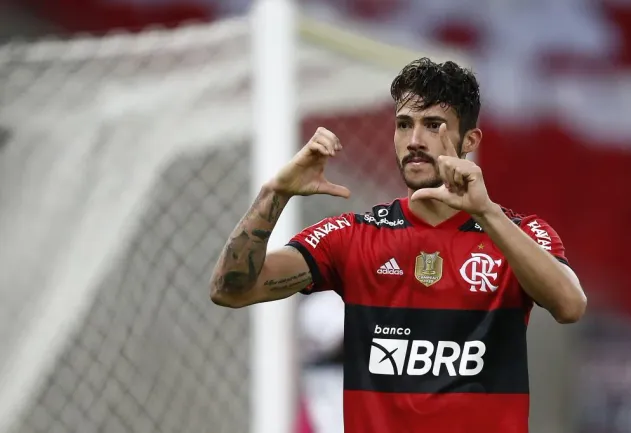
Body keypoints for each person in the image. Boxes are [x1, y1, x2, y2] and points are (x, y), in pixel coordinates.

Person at [210, 58, 587, 433]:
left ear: (470, 140)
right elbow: (231, 291)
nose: (414, 140)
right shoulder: (353, 235)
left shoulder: (520, 234)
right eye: (404, 125)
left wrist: (487, 214)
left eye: (433, 125)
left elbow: (570, 306)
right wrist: (274, 193)